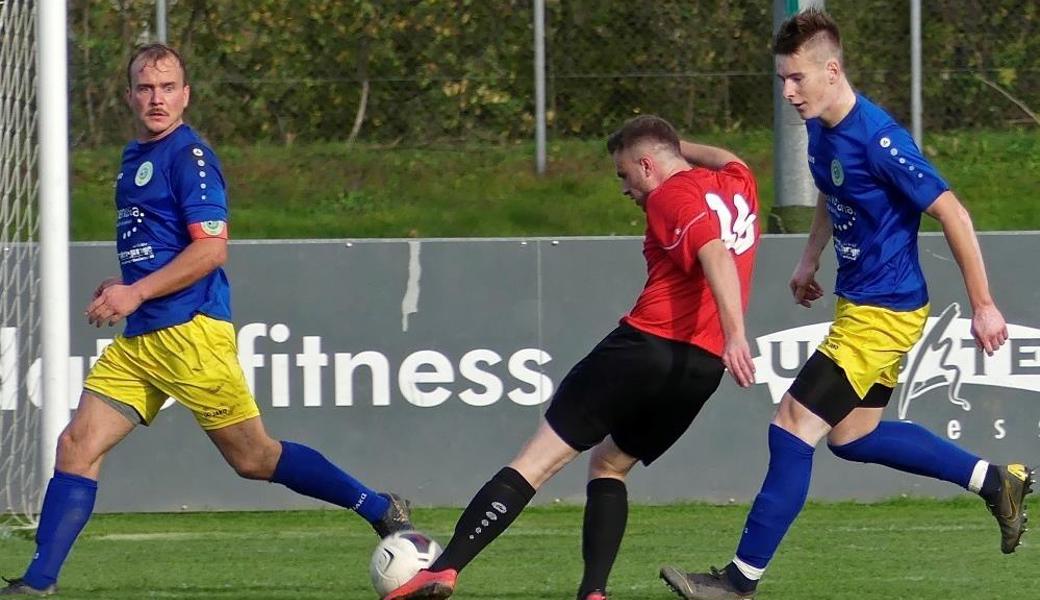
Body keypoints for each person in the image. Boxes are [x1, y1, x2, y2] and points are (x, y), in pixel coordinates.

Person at [1, 44, 412, 597]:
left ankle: (378, 506)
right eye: (146, 88)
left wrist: (135, 291)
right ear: (129, 96)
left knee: (254, 458)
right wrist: (123, 287)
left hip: (192, 332)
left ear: (186, 94)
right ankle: (38, 582)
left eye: (168, 87)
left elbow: (212, 251)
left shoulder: (189, 156)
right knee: (77, 444)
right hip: (144, 336)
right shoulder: (133, 155)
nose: (157, 98)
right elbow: (158, 246)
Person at [659, 10, 1034, 600]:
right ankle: (995, 482)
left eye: (797, 79)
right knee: (853, 437)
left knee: (791, 428)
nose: (787, 92)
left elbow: (953, 213)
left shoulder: (880, 139)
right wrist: (810, 258)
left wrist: (983, 305)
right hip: (860, 305)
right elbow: (833, 194)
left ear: (831, 71)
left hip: (883, 315)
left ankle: (736, 581)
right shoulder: (822, 128)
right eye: (782, 79)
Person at [383, 114, 761, 600]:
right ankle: (594, 592)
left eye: (624, 173)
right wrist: (669, 144)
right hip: (699, 370)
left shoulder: (671, 195)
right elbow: (730, 158)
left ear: (648, 165)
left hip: (645, 347)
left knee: (534, 463)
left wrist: (737, 334)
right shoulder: (736, 185)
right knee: (609, 465)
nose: (625, 187)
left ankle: (445, 568)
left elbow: (713, 252)